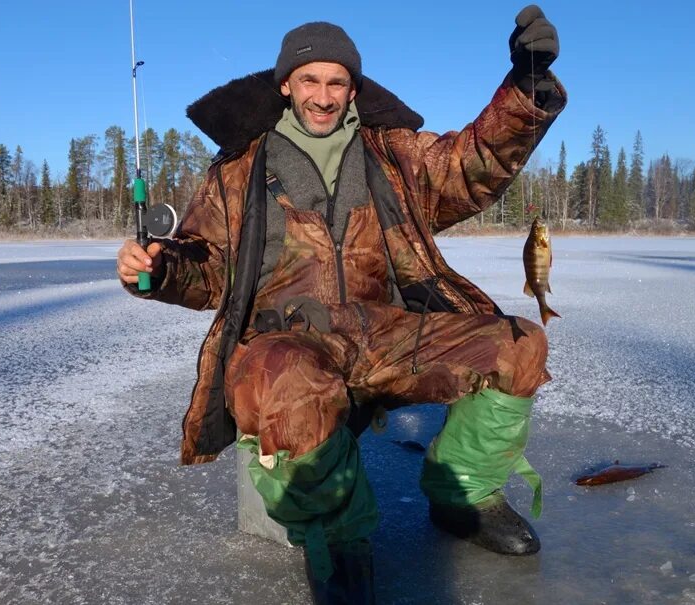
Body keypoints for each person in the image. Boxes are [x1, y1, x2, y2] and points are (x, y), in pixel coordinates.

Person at [117, 6, 565, 603]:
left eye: (336, 82)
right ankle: (339, 537)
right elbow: (208, 270)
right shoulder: (238, 170)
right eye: (309, 80)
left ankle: (464, 495)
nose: (323, 96)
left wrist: (525, 87)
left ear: (352, 87)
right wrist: (158, 269)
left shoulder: (395, 154)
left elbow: (472, 164)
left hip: (385, 331)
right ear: (286, 86)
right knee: (290, 386)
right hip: (286, 341)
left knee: (519, 346)